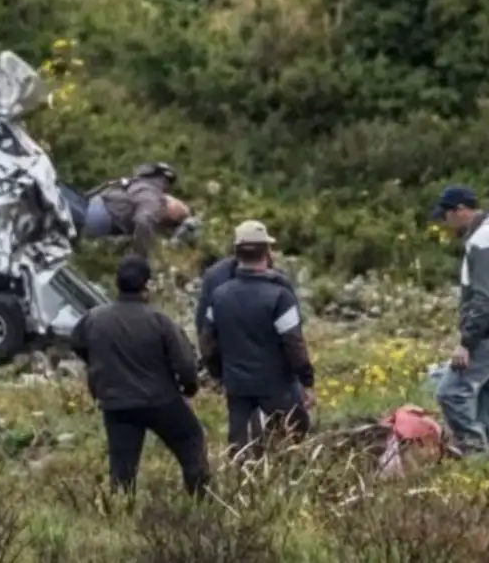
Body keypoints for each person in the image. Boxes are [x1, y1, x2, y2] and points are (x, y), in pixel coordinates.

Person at [70, 255, 211, 498]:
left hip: (116, 403)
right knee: (191, 442)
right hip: (161, 401)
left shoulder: (94, 318)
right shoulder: (159, 321)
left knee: (122, 466)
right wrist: (189, 388)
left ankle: (121, 515)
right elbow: (186, 364)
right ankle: (201, 500)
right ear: (147, 285)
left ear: (117, 284)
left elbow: (77, 344)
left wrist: (100, 369)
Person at [199, 220, 315, 458]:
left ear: (236, 252)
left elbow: (207, 342)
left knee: (240, 445)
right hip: (277, 385)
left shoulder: (219, 295)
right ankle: (284, 483)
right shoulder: (280, 296)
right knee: (291, 438)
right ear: (267, 252)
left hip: (237, 385)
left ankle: (241, 486)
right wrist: (307, 380)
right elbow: (293, 343)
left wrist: (219, 373)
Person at [430, 185, 489, 455]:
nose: (445, 223)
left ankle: (476, 456)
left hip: (488, 334)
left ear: (461, 210)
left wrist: (467, 342)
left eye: (446, 215)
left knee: (450, 393)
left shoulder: (484, 241)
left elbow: (485, 299)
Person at [79, 162, 193, 258]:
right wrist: (141, 256)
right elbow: (143, 220)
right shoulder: (153, 196)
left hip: (99, 206)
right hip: (102, 216)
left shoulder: (144, 183)